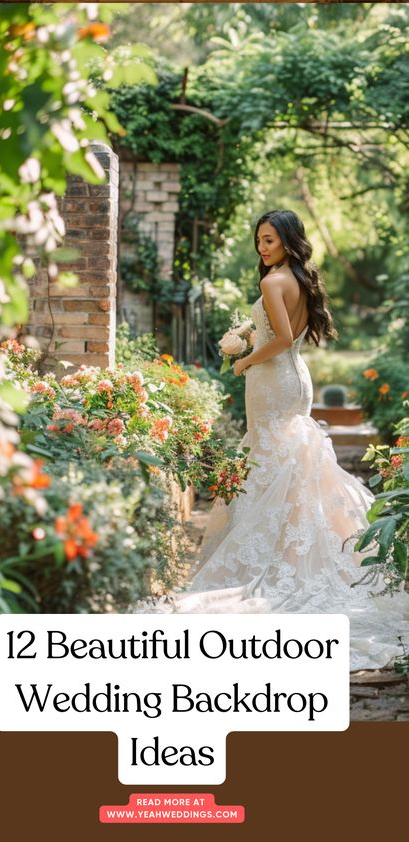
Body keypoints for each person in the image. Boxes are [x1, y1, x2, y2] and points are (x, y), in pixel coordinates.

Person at [140, 209, 409, 672]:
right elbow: (288, 334)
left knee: (269, 460)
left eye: (269, 240)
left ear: (287, 240)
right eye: (259, 241)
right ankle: (292, 549)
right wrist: (248, 335)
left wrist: (244, 360)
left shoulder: (272, 284)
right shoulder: (299, 278)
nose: (262, 248)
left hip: (272, 379)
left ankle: (274, 561)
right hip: (295, 380)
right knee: (290, 464)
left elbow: (282, 338)